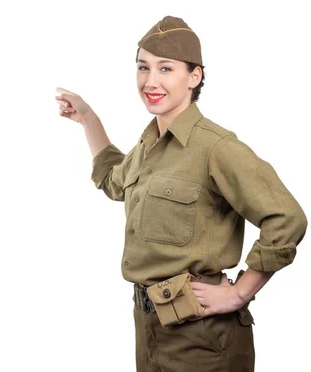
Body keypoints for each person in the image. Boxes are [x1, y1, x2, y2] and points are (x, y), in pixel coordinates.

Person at [55, 15, 307, 371]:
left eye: (166, 69)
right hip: (149, 328)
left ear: (194, 76)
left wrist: (239, 292)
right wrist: (88, 119)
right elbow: (114, 181)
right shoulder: (149, 144)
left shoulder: (216, 147)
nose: (150, 81)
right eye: (143, 67)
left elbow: (287, 218)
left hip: (202, 336)